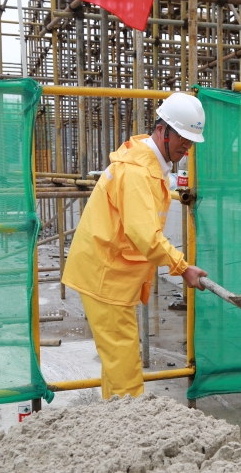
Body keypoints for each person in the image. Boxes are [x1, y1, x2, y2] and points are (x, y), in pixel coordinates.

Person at [62, 92, 208, 400]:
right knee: (126, 374)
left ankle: (112, 420)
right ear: (162, 130)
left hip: (109, 275)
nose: (187, 146)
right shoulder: (138, 171)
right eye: (182, 137)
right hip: (105, 278)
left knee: (116, 366)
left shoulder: (148, 164)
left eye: (191, 140)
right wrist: (183, 268)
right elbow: (145, 235)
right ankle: (129, 423)